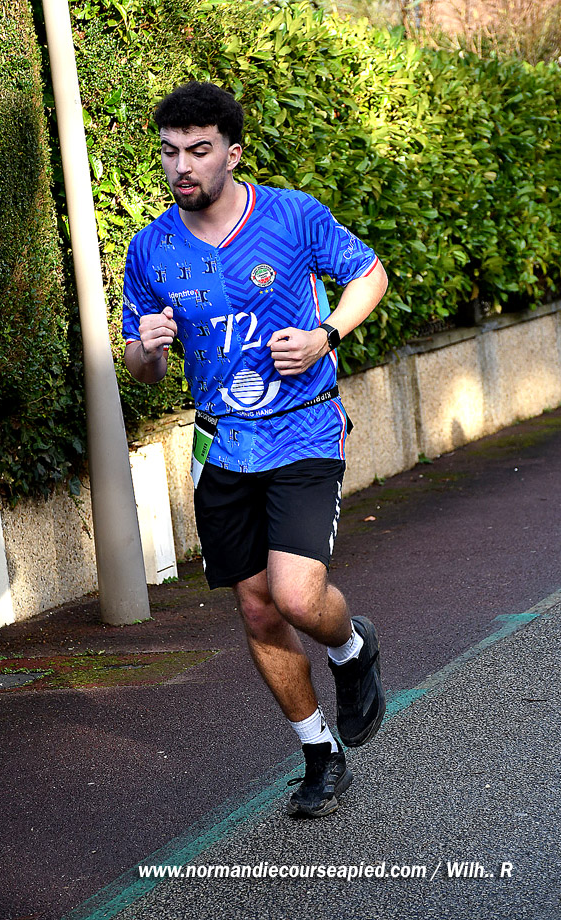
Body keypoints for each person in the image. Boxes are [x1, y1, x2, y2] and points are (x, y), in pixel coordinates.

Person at [122, 81, 389, 819]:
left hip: (304, 427)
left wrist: (325, 335)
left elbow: (369, 275)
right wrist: (147, 350)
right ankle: (319, 753)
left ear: (232, 154)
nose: (182, 166)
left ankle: (351, 648)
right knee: (258, 609)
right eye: (170, 152)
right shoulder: (151, 249)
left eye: (198, 150)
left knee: (297, 596)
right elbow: (143, 369)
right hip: (221, 445)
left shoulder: (290, 215)